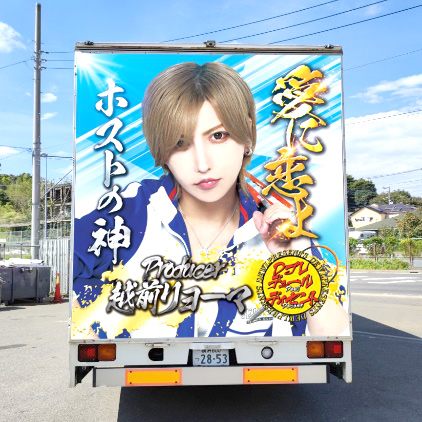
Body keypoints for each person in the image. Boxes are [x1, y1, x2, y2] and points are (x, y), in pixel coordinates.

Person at [73, 62, 349, 339]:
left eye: (218, 136)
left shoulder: (276, 225)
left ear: (246, 134)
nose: (202, 164)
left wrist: (297, 260)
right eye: (179, 143)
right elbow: (76, 310)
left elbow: (331, 338)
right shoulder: (129, 213)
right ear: (162, 148)